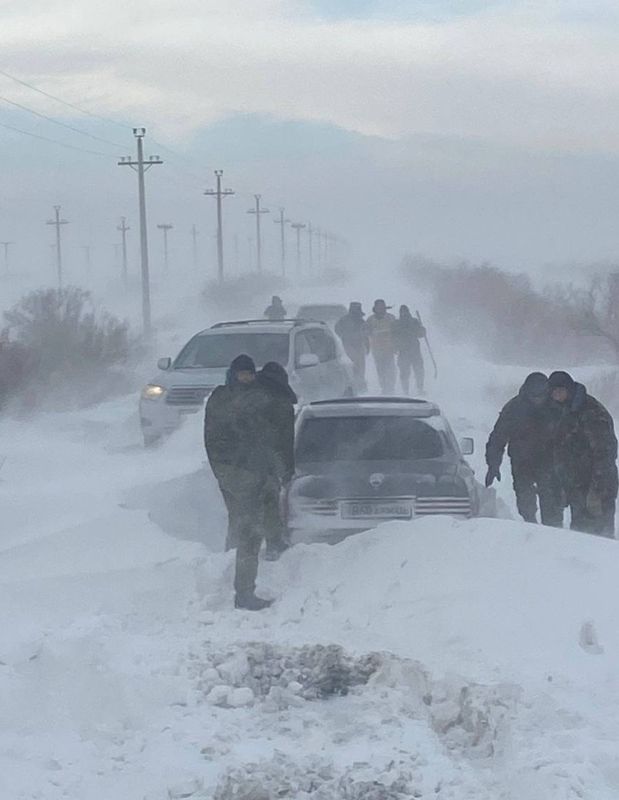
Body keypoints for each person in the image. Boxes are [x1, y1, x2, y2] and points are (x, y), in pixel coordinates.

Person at [204, 354, 279, 610]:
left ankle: (244, 589)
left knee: (249, 531)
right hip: (235, 474)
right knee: (248, 531)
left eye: (250, 374)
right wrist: (229, 471)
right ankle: (243, 593)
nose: (246, 378)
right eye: (242, 374)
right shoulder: (221, 399)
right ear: (233, 374)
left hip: (255, 472)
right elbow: (214, 440)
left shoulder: (258, 396)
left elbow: (267, 435)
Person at [485, 372, 562, 526]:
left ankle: (554, 532)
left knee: (551, 501)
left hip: (549, 462)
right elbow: (498, 437)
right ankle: (530, 527)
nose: (537, 399)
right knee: (525, 500)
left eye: (541, 396)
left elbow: (569, 434)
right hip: (522, 462)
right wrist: (493, 464)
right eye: (534, 396)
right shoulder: (514, 408)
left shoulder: (556, 407)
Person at [548, 371, 618, 538]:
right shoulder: (567, 410)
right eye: (553, 392)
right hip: (578, 487)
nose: (557, 395)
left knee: (599, 539)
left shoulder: (591, 412)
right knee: (580, 537)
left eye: (560, 390)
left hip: (598, 486)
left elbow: (605, 453)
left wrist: (596, 490)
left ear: (569, 389)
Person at [256, 361, 297, 560]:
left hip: (244, 461)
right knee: (270, 501)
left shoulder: (249, 397)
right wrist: (288, 469)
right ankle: (273, 543)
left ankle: (237, 546)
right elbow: (286, 440)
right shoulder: (282, 403)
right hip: (267, 462)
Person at [334, 302, 370, 392]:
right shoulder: (343, 320)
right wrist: (344, 336)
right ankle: (354, 385)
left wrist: (367, 345)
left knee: (360, 366)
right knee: (353, 365)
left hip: (359, 346)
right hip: (348, 345)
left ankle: (360, 385)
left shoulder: (362, 321)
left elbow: (366, 335)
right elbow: (337, 329)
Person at [393, 305, 425, 395]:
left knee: (419, 370)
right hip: (403, 351)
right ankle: (405, 391)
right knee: (404, 372)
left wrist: (422, 331)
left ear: (408, 312)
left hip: (415, 350)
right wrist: (395, 347)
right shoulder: (396, 324)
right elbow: (393, 336)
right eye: (402, 312)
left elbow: (420, 334)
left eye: (405, 311)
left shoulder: (414, 322)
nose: (404, 314)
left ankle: (420, 389)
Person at [366, 299, 397, 394]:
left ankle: (391, 387)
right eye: (379, 307)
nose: (381, 309)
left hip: (389, 348)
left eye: (382, 307)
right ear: (375, 308)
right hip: (377, 350)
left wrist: (397, 345)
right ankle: (384, 387)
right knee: (380, 370)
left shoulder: (391, 318)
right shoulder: (370, 320)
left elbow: (397, 332)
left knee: (391, 369)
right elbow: (366, 333)